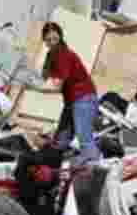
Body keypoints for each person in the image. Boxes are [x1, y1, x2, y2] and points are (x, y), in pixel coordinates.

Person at [28, 22, 101, 163]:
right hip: (71, 101)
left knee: (84, 139)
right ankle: (53, 164)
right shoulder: (51, 56)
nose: (52, 42)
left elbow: (56, 85)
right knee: (60, 140)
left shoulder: (63, 54)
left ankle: (96, 167)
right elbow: (46, 77)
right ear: (44, 40)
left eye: (55, 39)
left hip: (83, 98)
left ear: (60, 37)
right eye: (48, 40)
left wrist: (35, 87)